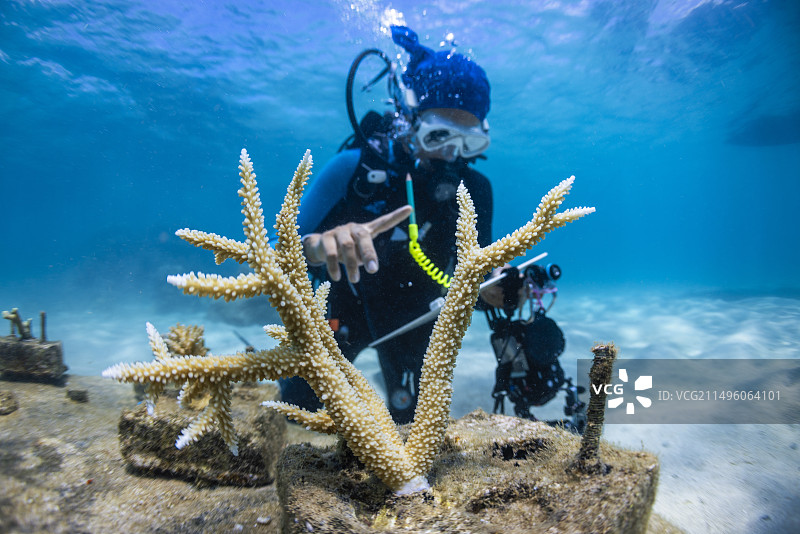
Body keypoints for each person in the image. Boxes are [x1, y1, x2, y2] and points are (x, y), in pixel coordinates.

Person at [279, 25, 503, 423]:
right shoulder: (355, 169)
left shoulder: (476, 191)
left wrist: (499, 286)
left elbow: (480, 268)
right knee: (300, 409)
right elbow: (280, 254)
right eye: (438, 135)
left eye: (468, 142)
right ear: (409, 118)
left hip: (415, 320)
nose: (451, 154)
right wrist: (319, 246)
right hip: (340, 311)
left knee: (412, 423)